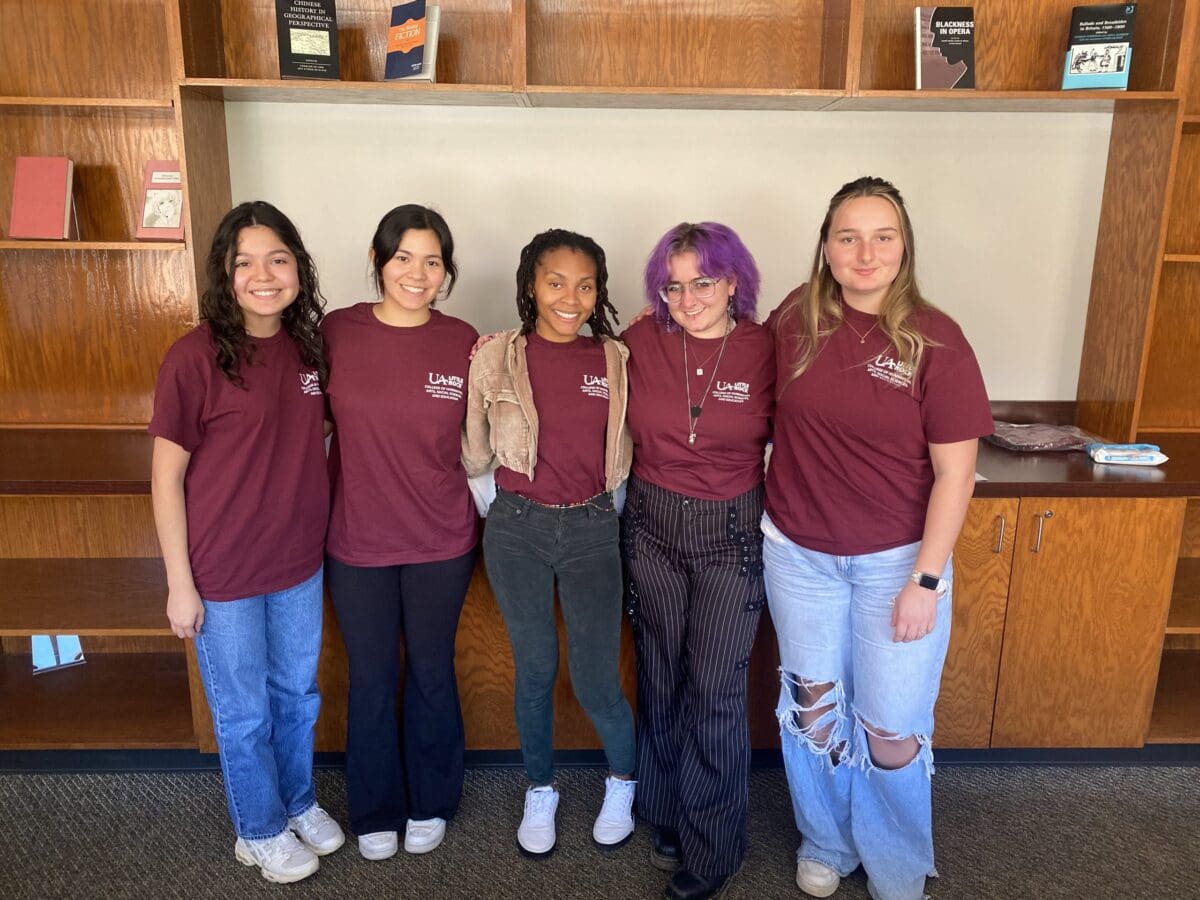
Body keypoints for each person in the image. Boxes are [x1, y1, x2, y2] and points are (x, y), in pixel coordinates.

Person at [762, 176, 992, 900]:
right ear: (826, 248)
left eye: (882, 236)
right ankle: (826, 841)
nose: (866, 253)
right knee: (815, 709)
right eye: (849, 236)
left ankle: (894, 862)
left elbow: (956, 475)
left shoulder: (938, 339)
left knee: (892, 727)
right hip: (798, 555)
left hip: (898, 562)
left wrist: (926, 579)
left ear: (904, 246)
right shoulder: (792, 320)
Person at [149, 201, 344, 884]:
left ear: (298, 267)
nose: (264, 275)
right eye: (245, 262)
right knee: (243, 711)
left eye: (278, 259)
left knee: (298, 696)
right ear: (224, 275)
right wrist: (179, 583)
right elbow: (166, 478)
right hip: (222, 571)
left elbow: (307, 439)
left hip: (297, 562)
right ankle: (258, 829)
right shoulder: (194, 357)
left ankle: (295, 802)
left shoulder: (310, 346)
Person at [462, 228, 637, 858]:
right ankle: (541, 790)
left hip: (594, 529)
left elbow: (632, 444)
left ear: (599, 292)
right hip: (517, 532)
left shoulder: (616, 358)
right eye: (555, 281)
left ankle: (624, 782)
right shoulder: (497, 355)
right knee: (535, 669)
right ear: (530, 286)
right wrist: (503, 508)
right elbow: (474, 445)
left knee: (595, 679)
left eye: (585, 284)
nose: (571, 296)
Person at [621, 222, 775, 900]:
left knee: (713, 689)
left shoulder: (766, 349)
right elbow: (564, 360)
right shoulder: (639, 341)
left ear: (734, 282)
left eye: (703, 282)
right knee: (659, 675)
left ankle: (714, 846)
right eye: (673, 286)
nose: (687, 299)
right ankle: (666, 812)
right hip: (650, 523)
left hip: (731, 533)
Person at [321, 204, 479, 861]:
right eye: (403, 258)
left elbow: (483, 442)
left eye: (432, 261)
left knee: (433, 672)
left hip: (442, 538)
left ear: (447, 272)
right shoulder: (335, 333)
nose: (417, 273)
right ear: (378, 260)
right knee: (371, 675)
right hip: (357, 540)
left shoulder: (464, 340)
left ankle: (432, 801)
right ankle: (376, 808)